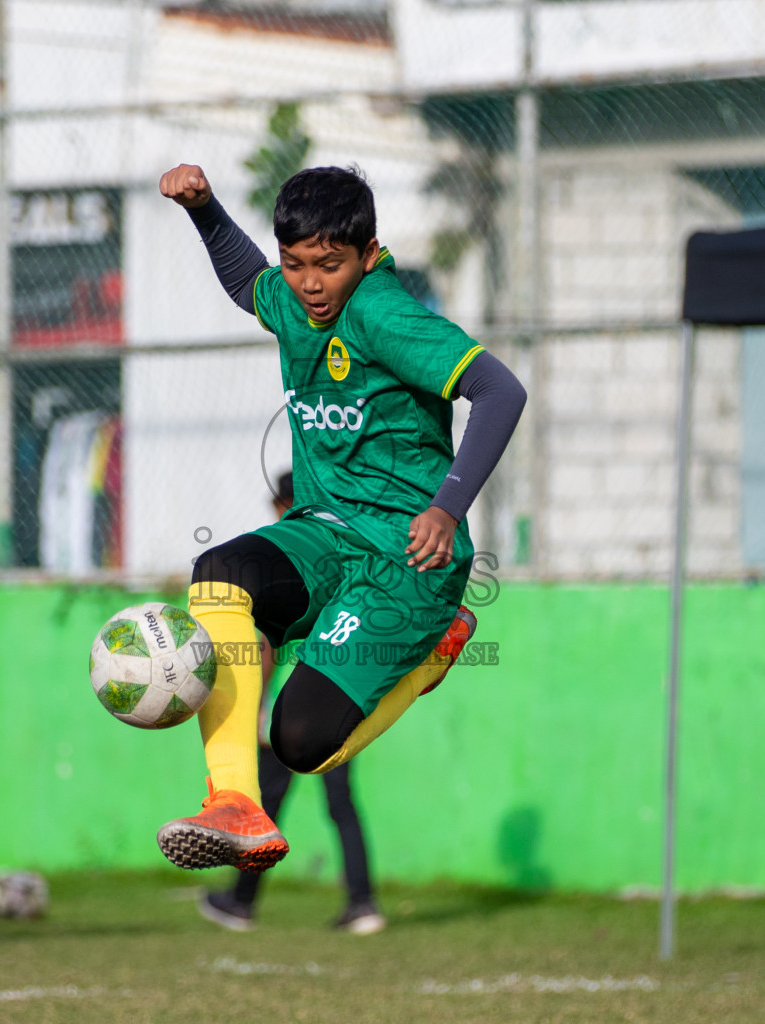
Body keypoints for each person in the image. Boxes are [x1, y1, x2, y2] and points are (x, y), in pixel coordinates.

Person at [155, 163, 525, 872]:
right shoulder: (295, 299)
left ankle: (436, 650)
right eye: (296, 264)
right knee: (221, 572)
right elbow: (248, 283)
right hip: (325, 530)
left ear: (369, 252)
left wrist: (448, 505)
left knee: (301, 744)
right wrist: (204, 210)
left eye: (329, 265)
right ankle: (233, 801)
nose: (310, 283)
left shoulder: (383, 314)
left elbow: (499, 390)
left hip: (407, 564)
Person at [198, 473, 386, 934]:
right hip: (342, 694)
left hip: (297, 708)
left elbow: (260, 647)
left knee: (264, 804)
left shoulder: (295, 556)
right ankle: (362, 903)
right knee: (342, 804)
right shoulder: (349, 553)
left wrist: (256, 708)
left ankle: (240, 902)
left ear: (288, 503)